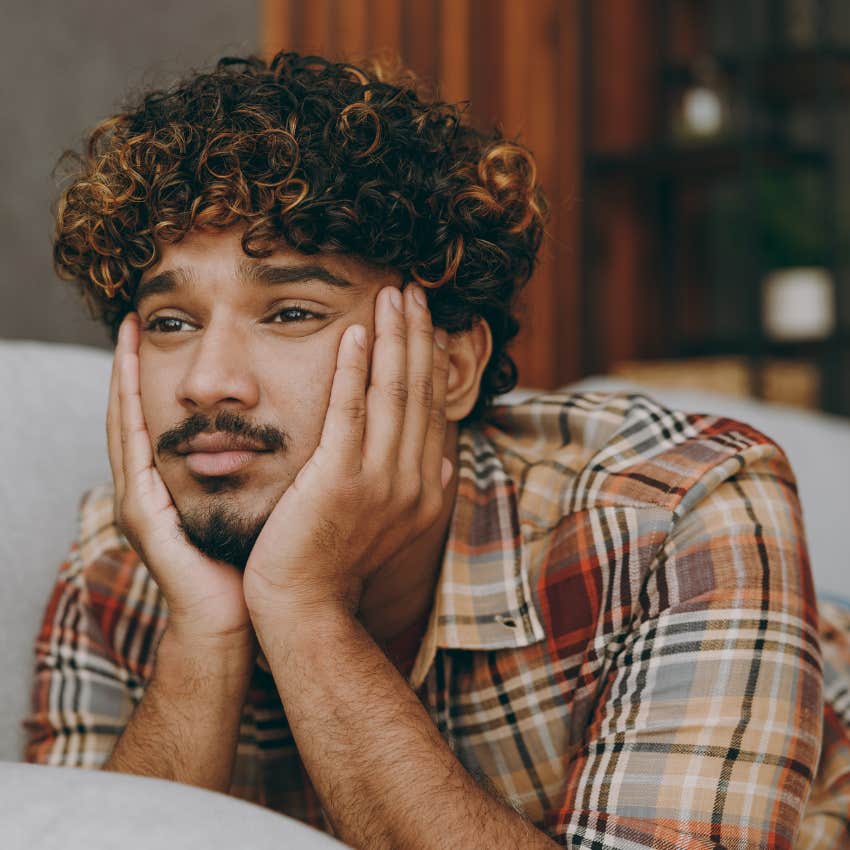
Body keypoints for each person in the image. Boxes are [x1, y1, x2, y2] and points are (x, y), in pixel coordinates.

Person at [25, 52, 850, 849]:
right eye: (171, 322)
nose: (208, 382)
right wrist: (203, 640)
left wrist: (305, 610)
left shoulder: (682, 509)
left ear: (451, 369)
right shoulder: (126, 560)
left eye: (291, 313)